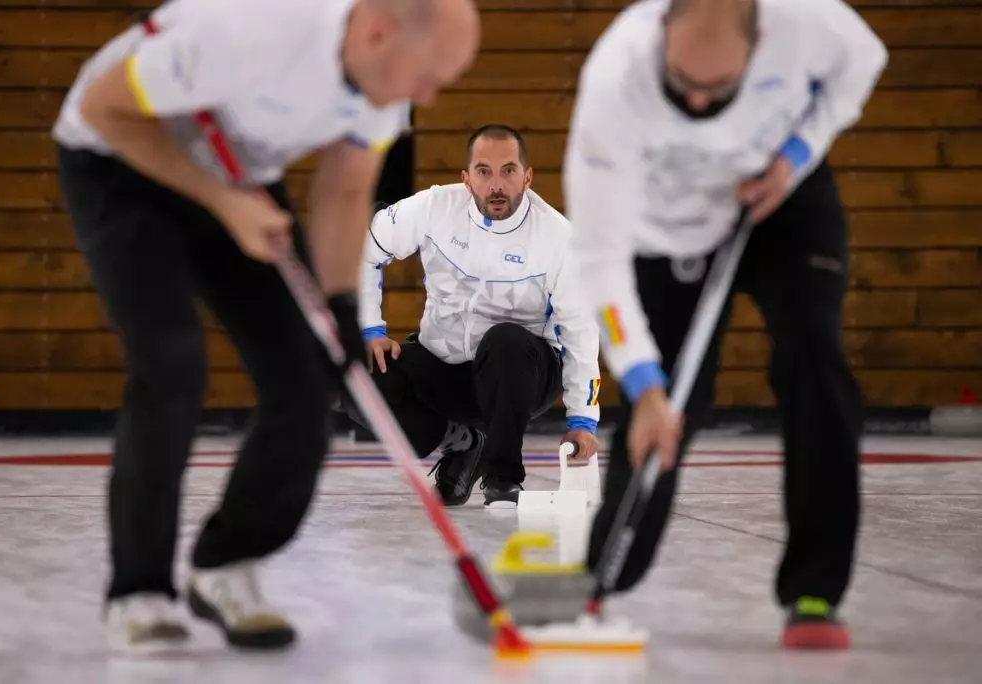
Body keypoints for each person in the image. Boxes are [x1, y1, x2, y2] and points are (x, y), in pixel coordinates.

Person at [50, 0, 479, 652]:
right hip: (120, 163)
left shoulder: (383, 78)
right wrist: (222, 202)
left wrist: (340, 310)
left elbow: (342, 188)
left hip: (237, 177)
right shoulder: (248, 29)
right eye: (428, 76)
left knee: (310, 374)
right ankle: (139, 590)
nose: (429, 97)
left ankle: (227, 562)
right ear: (376, 31)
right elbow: (104, 111)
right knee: (170, 365)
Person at [564, 0, 886, 649]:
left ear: (759, 41)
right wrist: (647, 383)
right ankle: (604, 575)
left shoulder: (806, 20)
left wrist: (796, 153)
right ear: (661, 35)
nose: (701, 103)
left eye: (719, 88)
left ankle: (814, 591)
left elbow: (863, 63)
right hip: (669, 229)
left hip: (780, 196)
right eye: (683, 85)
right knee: (667, 399)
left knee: (813, 359)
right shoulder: (614, 79)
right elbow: (599, 255)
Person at [349, 124, 602, 508]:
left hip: (522, 372)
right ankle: (464, 442)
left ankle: (503, 479)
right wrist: (370, 328)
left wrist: (583, 420)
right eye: (484, 171)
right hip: (444, 367)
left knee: (505, 340)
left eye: (509, 171)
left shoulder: (558, 238)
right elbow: (366, 246)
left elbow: (581, 332)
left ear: (527, 177)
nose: (496, 185)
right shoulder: (433, 208)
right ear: (466, 179)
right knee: (356, 375)